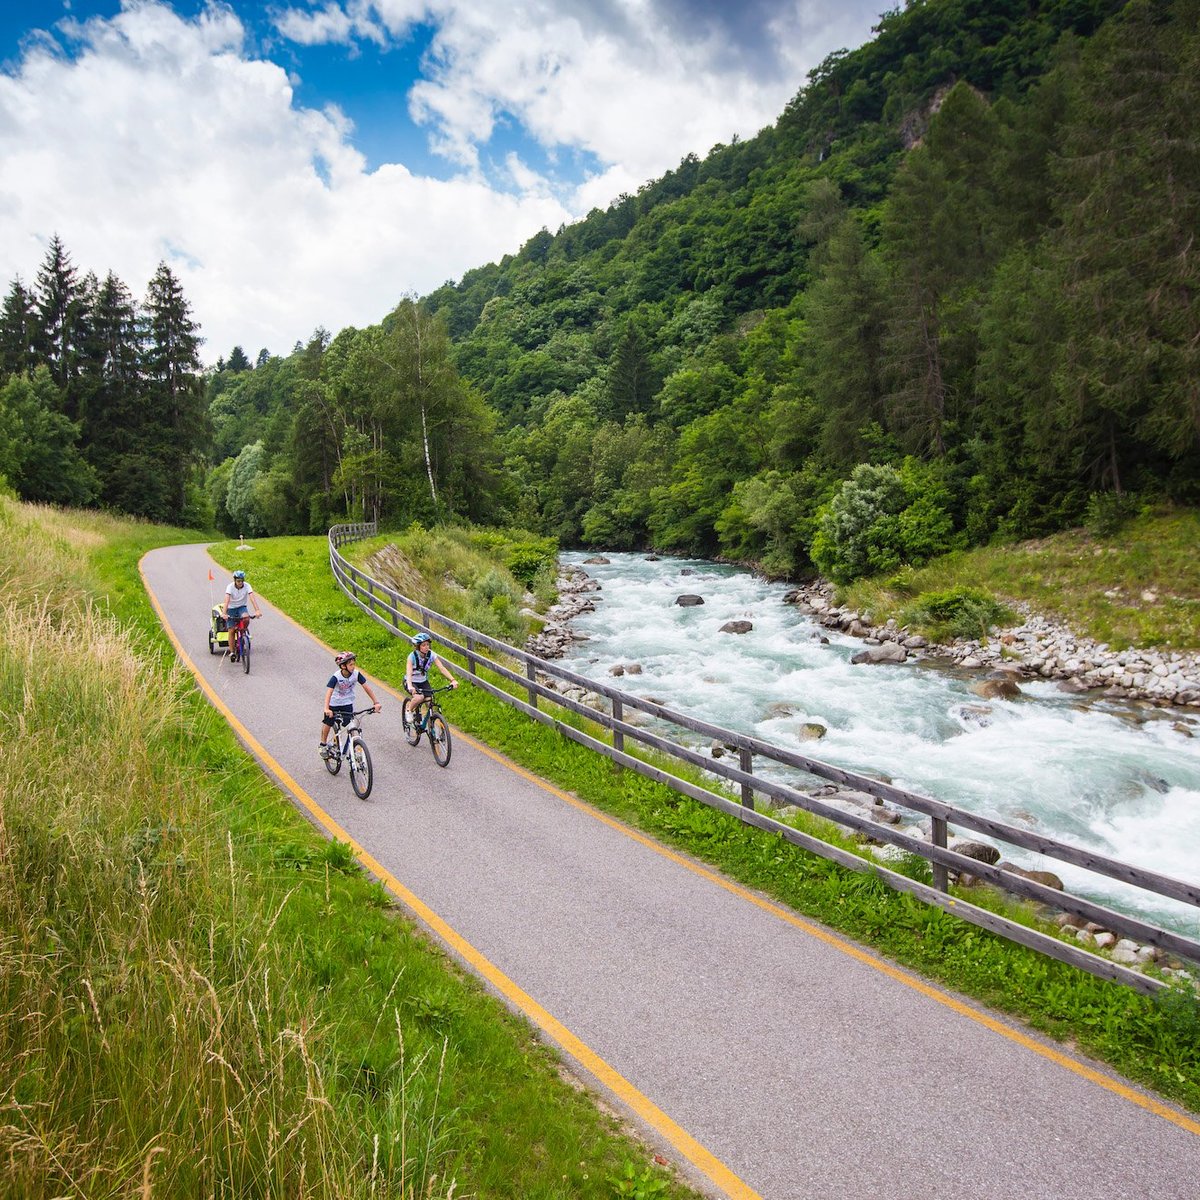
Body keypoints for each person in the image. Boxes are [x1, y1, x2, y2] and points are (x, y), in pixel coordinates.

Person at [320, 651, 381, 758]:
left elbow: (367, 688)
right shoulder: (336, 676)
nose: (353, 667)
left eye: (354, 664)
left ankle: (354, 749)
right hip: (334, 703)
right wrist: (326, 708)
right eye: (350, 665)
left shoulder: (356, 674)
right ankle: (323, 744)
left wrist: (376, 702)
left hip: (347, 703)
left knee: (351, 726)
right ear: (343, 666)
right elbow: (329, 692)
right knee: (328, 723)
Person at [403, 632, 459, 729]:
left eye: (427, 645)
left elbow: (442, 668)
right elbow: (408, 673)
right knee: (419, 698)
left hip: (423, 681)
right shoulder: (412, 657)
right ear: (418, 647)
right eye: (423, 645)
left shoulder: (431, 655)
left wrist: (453, 680)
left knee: (430, 702)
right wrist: (410, 686)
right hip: (412, 681)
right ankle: (409, 710)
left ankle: (430, 725)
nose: (426, 647)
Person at [222, 568, 262, 660]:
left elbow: (252, 598)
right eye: (238, 581)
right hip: (231, 608)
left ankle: (243, 631)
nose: (240, 583)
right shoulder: (230, 587)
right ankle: (232, 652)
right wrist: (224, 613)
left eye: (241, 581)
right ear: (235, 581)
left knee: (246, 618)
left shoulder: (247, 586)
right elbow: (226, 600)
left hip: (241, 607)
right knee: (231, 630)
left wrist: (257, 610)